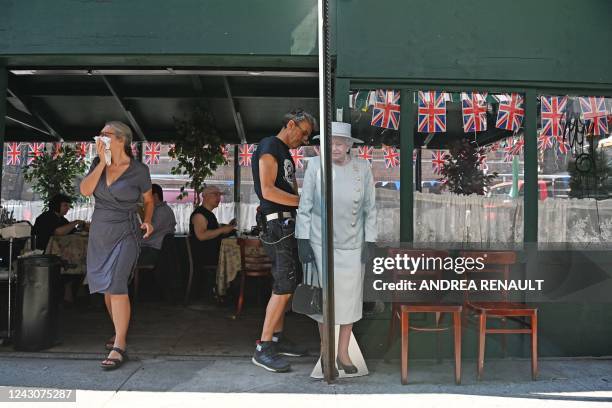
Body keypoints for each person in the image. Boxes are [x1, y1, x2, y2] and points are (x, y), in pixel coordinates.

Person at [295, 121, 377, 377]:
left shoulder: (362, 168)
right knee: (324, 301)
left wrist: (370, 241)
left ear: (350, 146)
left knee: (350, 301)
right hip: (322, 244)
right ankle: (326, 351)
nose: (335, 148)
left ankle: (343, 353)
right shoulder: (314, 167)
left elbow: (370, 208)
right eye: (329, 143)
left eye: (340, 143)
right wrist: (303, 240)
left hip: (353, 244)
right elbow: (305, 206)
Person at [80, 121, 154, 370]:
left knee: (117, 284)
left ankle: (119, 344)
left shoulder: (139, 170)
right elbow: (85, 190)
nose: (100, 138)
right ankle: (117, 330)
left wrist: (148, 220)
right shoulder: (96, 164)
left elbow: (148, 200)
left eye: (105, 135)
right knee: (106, 287)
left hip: (125, 230)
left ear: (121, 139)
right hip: (100, 231)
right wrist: (102, 162)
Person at [251, 109, 317, 372]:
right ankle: (263, 346)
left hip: (286, 223)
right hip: (276, 224)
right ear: (291, 124)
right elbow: (267, 190)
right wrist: (307, 203)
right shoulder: (269, 145)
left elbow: (287, 188)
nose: (304, 140)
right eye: (303, 133)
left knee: (284, 282)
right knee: (285, 283)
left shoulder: (283, 151)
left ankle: (277, 338)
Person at [33, 193, 86, 305]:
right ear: (57, 205)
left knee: (79, 261)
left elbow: (71, 232)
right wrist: (75, 222)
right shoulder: (46, 217)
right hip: (44, 252)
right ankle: (68, 295)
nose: (67, 208)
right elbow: (57, 232)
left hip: (60, 253)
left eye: (68, 205)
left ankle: (72, 294)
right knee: (71, 262)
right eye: (65, 205)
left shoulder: (62, 219)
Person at [138, 184, 177, 267]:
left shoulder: (161, 211)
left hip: (152, 251)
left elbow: (146, 231)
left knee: (123, 259)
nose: (144, 200)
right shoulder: (163, 209)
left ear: (155, 196)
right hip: (154, 250)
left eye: (146, 197)